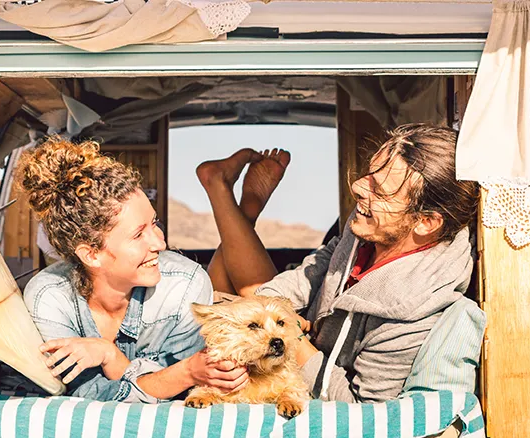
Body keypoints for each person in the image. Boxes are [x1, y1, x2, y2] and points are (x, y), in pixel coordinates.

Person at [197, 123, 480, 403]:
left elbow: (359, 407)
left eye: (380, 191)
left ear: (425, 222)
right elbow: (327, 260)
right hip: (303, 333)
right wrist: (274, 304)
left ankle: (225, 192)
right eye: (369, 174)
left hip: (306, 378)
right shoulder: (374, 224)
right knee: (245, 306)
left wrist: (290, 337)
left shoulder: (413, 313)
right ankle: (233, 198)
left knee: (230, 306)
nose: (358, 187)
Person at [16, 137, 248, 402]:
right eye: (139, 235)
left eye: (154, 223)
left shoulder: (186, 285)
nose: (160, 242)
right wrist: (182, 373)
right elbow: (82, 395)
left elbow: (183, 396)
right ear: (91, 254)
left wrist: (110, 356)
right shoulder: (49, 298)